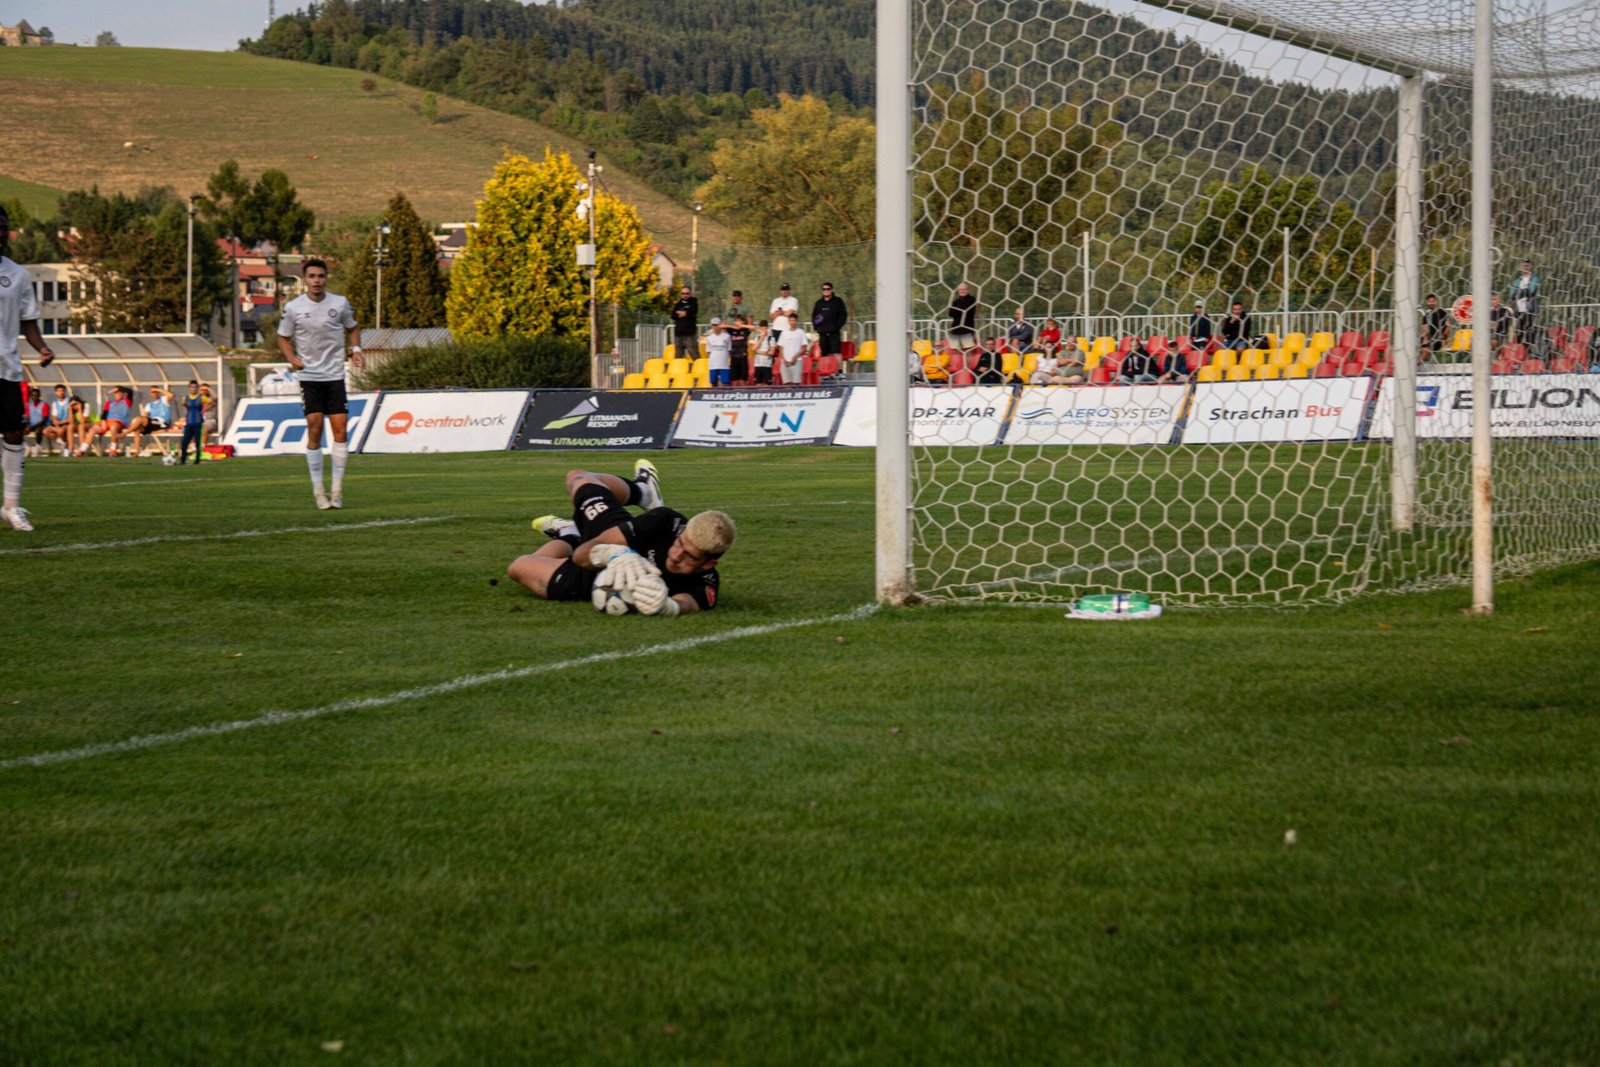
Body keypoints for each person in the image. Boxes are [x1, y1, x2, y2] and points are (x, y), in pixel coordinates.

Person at [511, 459, 733, 617]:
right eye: (679, 544)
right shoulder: (665, 522)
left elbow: (688, 603)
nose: (676, 556)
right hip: (616, 542)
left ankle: (569, 534)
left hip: (596, 579)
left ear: (707, 564)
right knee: (577, 478)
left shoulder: (706, 581)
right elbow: (585, 553)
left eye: (690, 557)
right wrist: (614, 553)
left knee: (519, 568)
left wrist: (668, 606)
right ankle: (643, 491)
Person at [277, 258, 362, 509]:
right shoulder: (293, 307)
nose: (317, 281)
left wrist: (356, 350)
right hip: (310, 376)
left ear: (326, 278)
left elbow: (353, 328)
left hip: (335, 375)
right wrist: (291, 357)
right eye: (312, 276)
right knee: (315, 428)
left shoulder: (340, 303)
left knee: (340, 431)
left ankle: (336, 491)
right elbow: (282, 337)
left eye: (321, 276)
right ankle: (318, 491)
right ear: (305, 280)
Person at [0, 203, 56, 530]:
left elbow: (29, 322)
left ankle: (11, 506)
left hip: (6, 367)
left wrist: (43, 348)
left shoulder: (18, 275)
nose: (0, 233)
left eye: (3, 227)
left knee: (14, 433)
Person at [126, 385, 175, 457]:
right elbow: (145, 416)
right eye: (152, 392)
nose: (154, 393)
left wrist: (159, 390)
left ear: (158, 392)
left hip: (162, 422)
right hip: (153, 424)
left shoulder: (163, 400)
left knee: (139, 420)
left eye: (155, 392)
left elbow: (171, 395)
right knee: (137, 429)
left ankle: (124, 433)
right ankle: (137, 452)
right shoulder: (149, 405)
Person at [86, 387, 135, 457]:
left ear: (123, 394)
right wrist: (103, 421)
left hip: (118, 422)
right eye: (116, 393)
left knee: (113, 427)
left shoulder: (126, 402)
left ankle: (113, 450)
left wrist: (119, 388)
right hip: (107, 422)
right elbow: (104, 414)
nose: (118, 394)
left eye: (119, 392)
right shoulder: (109, 402)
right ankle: (82, 450)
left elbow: (130, 391)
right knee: (92, 430)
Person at [811, 282, 848, 360]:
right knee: (824, 355)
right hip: (823, 334)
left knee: (836, 353)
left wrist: (836, 327)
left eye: (828, 289)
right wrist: (817, 328)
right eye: (824, 289)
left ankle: (838, 368)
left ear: (832, 290)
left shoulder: (838, 301)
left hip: (834, 333)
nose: (826, 290)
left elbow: (843, 315)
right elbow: (814, 316)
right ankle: (827, 368)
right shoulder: (819, 303)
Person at [1509, 260, 1539, 346]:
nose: (1525, 267)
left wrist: (1519, 292)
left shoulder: (1535, 278)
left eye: (1527, 266)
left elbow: (1531, 291)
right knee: (1519, 333)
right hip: (1519, 310)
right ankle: (1520, 350)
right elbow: (1512, 295)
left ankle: (1530, 351)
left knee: (1530, 333)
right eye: (1524, 266)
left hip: (1530, 310)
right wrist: (1524, 291)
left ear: (1530, 266)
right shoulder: (1518, 280)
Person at [775, 312, 807, 386]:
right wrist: (783, 359)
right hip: (785, 362)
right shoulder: (784, 332)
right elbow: (781, 347)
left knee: (796, 383)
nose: (792, 322)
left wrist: (795, 357)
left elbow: (804, 348)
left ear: (796, 321)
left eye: (793, 320)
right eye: (790, 320)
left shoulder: (801, 332)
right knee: (786, 383)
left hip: (797, 361)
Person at [670, 284, 699, 364]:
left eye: (687, 293)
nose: (685, 295)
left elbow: (692, 312)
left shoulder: (693, 301)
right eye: (683, 293)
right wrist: (684, 313)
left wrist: (681, 313)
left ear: (690, 294)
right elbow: (673, 315)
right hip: (678, 334)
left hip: (689, 334)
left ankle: (699, 368)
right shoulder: (678, 304)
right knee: (678, 357)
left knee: (694, 354)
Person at [180, 380, 206, 465]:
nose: (193, 389)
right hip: (189, 422)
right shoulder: (185, 398)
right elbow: (183, 405)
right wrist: (185, 413)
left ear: (198, 388)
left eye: (195, 387)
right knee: (184, 442)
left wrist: (203, 411)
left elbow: (212, 403)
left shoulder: (202, 397)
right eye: (192, 387)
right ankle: (183, 459)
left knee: (197, 442)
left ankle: (197, 459)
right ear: (188, 388)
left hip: (198, 422)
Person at [44, 384, 74, 457]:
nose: (61, 392)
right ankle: (62, 444)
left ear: (65, 392)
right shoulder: (55, 403)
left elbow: (71, 418)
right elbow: (54, 417)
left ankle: (67, 448)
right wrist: (56, 424)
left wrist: (60, 423)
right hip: (59, 424)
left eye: (62, 391)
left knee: (61, 431)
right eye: (59, 391)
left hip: (67, 423)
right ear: (56, 392)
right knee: (45, 431)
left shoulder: (69, 401)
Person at [948, 282, 978, 351]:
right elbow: (950, 313)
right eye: (960, 289)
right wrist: (960, 310)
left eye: (964, 289)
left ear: (968, 290)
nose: (962, 291)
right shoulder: (956, 301)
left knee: (968, 350)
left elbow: (965, 310)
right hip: (955, 329)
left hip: (967, 328)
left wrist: (957, 310)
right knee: (955, 350)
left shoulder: (972, 299)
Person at [704, 317, 732, 386]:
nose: (715, 327)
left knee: (725, 382)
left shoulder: (727, 336)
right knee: (713, 382)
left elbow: (729, 349)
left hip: (724, 364)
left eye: (717, 325)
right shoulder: (709, 338)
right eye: (714, 325)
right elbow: (708, 351)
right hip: (713, 365)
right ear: (711, 326)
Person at [24, 387, 49, 458]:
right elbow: (27, 418)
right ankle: (27, 448)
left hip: (42, 425)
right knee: (18, 431)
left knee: (38, 430)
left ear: (39, 396)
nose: (34, 397)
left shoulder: (44, 405)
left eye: (36, 395)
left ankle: (37, 448)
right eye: (33, 395)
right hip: (32, 425)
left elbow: (43, 420)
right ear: (30, 396)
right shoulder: (28, 406)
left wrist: (32, 427)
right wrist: (28, 425)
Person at [728, 315, 752, 384]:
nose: (737, 322)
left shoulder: (745, 330)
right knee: (734, 380)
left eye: (738, 321)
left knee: (743, 380)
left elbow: (753, 327)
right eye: (736, 321)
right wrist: (732, 326)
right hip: (734, 357)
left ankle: (743, 390)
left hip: (743, 357)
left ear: (742, 322)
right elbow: (721, 326)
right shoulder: (732, 330)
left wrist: (742, 326)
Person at [751, 319, 774, 386]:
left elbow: (772, 352)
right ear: (760, 329)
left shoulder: (771, 338)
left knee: (768, 385)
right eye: (762, 329)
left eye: (765, 329)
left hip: (767, 364)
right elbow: (753, 348)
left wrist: (760, 352)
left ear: (767, 328)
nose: (764, 330)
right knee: (758, 384)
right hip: (758, 364)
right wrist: (761, 338)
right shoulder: (757, 338)